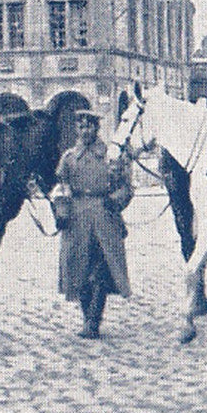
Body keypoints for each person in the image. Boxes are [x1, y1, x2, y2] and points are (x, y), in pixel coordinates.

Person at [52, 109, 132, 339]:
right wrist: (61, 210)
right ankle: (86, 317)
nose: (85, 131)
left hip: (104, 218)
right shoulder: (68, 158)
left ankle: (93, 321)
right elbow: (61, 187)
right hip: (76, 220)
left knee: (101, 271)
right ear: (76, 129)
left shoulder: (110, 156)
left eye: (89, 127)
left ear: (96, 129)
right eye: (81, 127)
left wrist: (115, 200)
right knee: (79, 270)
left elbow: (126, 187)